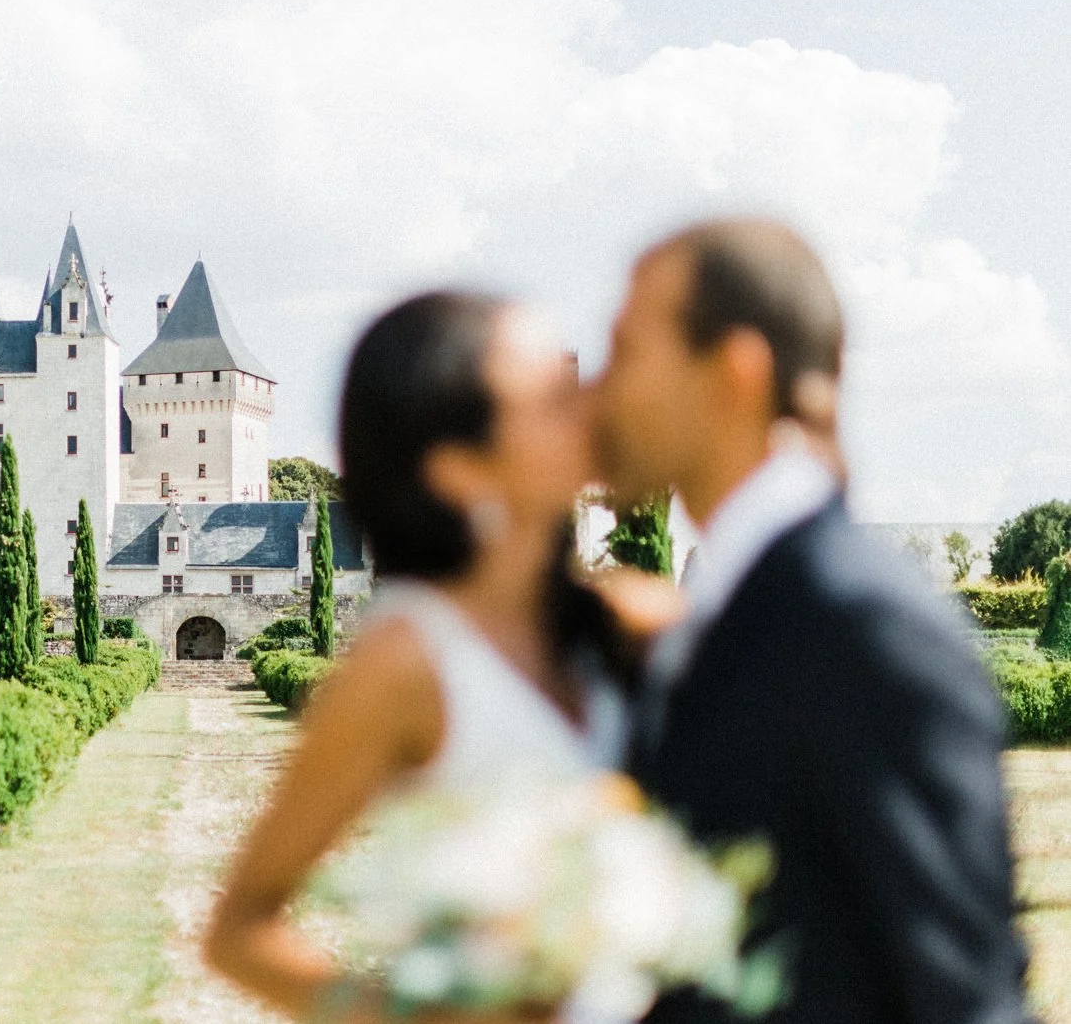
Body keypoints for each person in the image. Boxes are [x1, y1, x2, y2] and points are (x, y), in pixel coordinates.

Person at [592, 217, 1031, 1024]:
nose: (599, 390)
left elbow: (967, 1003)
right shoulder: (725, 611)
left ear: (735, 370)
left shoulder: (864, 629)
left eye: (626, 350)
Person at [203, 291, 642, 1023]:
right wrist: (406, 1013)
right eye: (553, 397)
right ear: (460, 469)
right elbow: (239, 927)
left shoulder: (633, 616)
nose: (591, 402)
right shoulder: (407, 660)